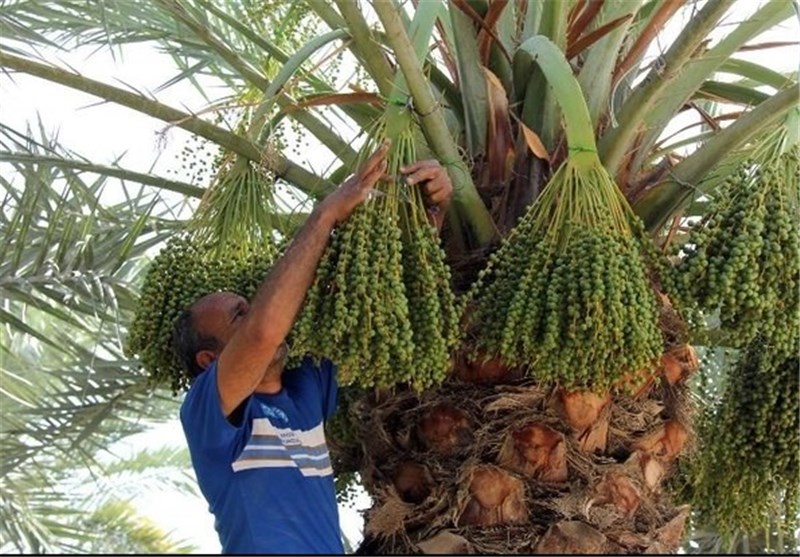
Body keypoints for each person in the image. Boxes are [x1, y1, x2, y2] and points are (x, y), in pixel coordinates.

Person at [171, 141, 454, 555]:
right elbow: (264, 332)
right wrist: (325, 215)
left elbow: (386, 303)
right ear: (209, 361)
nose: (254, 318)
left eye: (251, 308)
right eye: (239, 316)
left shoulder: (306, 388)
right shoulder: (207, 412)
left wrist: (428, 209)